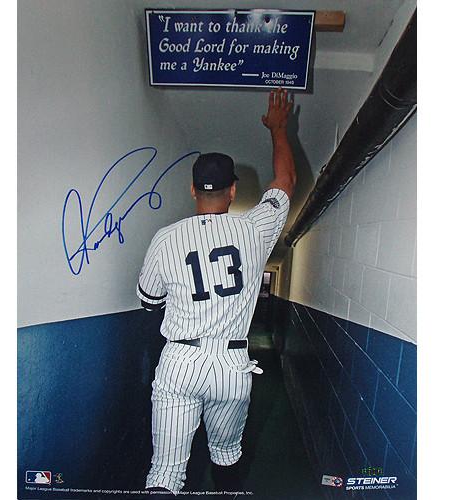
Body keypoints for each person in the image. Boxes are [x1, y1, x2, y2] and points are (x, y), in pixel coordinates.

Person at [137, 88, 297, 496]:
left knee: (164, 475)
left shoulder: (165, 238)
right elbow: (286, 181)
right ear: (232, 191)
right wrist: (278, 128)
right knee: (226, 456)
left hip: (180, 361)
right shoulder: (253, 229)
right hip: (231, 365)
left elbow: (148, 300)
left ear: (192, 190)